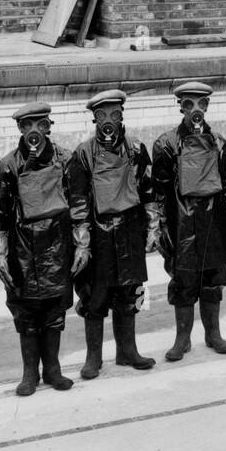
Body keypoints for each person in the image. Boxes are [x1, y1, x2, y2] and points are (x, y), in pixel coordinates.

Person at [0, 103, 82, 396]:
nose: (34, 131)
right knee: (27, 313)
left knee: (55, 310)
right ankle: (30, 373)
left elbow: (79, 203)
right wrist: (1, 254)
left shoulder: (66, 159)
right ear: (20, 129)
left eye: (40, 124)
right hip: (22, 250)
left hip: (58, 245)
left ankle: (53, 370)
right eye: (27, 124)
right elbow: (1, 215)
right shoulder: (7, 166)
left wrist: (82, 243)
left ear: (48, 126)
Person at [70, 89, 156, 377]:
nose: (109, 120)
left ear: (122, 116)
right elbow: (78, 200)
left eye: (114, 114)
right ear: (94, 118)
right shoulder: (83, 153)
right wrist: (82, 243)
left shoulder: (135, 148)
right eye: (102, 115)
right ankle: (93, 357)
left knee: (130, 293)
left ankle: (127, 351)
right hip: (100, 236)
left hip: (130, 231)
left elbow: (148, 191)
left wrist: (153, 226)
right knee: (95, 297)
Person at [152, 82, 226, 360]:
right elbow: (160, 191)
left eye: (201, 104)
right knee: (184, 280)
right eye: (189, 104)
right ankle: (182, 339)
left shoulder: (220, 143)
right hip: (182, 224)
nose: (195, 110)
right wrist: (163, 227)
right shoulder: (165, 144)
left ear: (208, 106)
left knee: (213, 278)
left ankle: (213, 334)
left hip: (213, 221)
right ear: (180, 106)